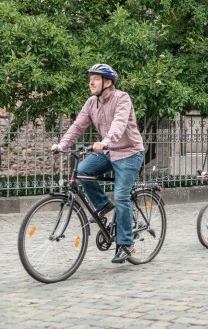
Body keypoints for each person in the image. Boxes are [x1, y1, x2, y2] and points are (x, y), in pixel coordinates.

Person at [51, 64, 145, 264]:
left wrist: (106, 141)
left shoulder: (122, 98)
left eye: (95, 78)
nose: (90, 82)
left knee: (121, 195)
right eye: (90, 78)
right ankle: (103, 205)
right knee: (83, 171)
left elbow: (119, 123)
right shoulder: (91, 103)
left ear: (108, 82)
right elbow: (78, 125)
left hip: (129, 152)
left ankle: (126, 244)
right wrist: (62, 145)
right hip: (109, 151)